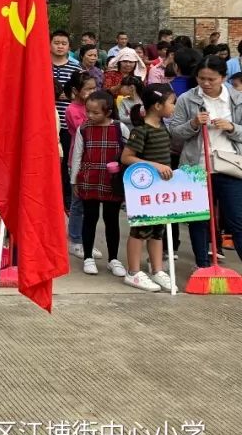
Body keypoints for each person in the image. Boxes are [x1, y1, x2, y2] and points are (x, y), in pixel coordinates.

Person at [167, 55, 242, 269]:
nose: (206, 84)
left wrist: (232, 127)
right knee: (199, 220)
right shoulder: (187, 99)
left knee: (237, 221)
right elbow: (175, 132)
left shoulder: (238, 98)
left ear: (224, 77)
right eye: (201, 79)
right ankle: (203, 267)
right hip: (196, 168)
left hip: (231, 167)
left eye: (212, 79)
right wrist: (192, 124)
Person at [120, 85, 178, 292]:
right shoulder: (141, 131)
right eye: (172, 103)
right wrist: (156, 166)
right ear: (157, 105)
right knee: (140, 229)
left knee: (158, 229)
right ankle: (133, 272)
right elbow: (126, 157)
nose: (174, 107)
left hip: (161, 191)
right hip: (145, 189)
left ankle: (157, 270)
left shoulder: (163, 127)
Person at [70, 90, 128, 278]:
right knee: (90, 218)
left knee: (112, 220)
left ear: (108, 112)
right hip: (89, 178)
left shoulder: (120, 128)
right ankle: (88, 256)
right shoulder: (84, 129)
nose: (90, 116)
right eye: (88, 111)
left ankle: (113, 259)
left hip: (113, 181)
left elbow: (128, 154)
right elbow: (77, 154)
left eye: (96, 113)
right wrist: (74, 180)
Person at [64, 72, 99, 257]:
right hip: (78, 160)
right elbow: (86, 129)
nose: (92, 92)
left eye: (94, 88)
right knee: (78, 203)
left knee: (91, 203)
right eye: (88, 89)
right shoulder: (72, 110)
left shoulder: (96, 106)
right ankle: (75, 239)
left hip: (96, 160)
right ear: (77, 90)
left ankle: (87, 240)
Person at [51, 30, 82, 217]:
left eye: (64, 43)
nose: (60, 46)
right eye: (56, 42)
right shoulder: (40, 63)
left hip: (68, 122)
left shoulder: (75, 68)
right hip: (47, 123)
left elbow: (81, 93)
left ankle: (66, 203)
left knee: (65, 166)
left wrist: (69, 95)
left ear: (69, 47)